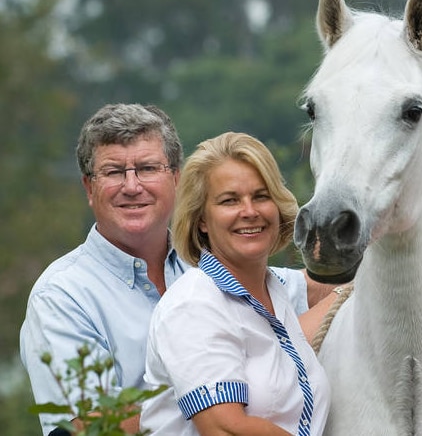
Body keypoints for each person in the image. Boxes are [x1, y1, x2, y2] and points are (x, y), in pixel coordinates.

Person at [19, 104, 330, 435]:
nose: (132, 186)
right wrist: (198, 393)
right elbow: (95, 428)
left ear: (176, 178)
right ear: (88, 188)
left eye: (148, 168)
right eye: (113, 172)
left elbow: (308, 296)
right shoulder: (60, 296)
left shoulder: (224, 270)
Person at [139, 131, 329, 435]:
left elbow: (335, 294)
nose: (250, 212)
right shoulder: (193, 306)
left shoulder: (274, 290)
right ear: (201, 219)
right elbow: (226, 430)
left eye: (261, 196)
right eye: (230, 201)